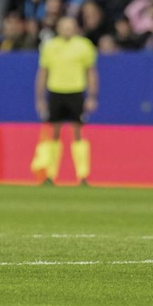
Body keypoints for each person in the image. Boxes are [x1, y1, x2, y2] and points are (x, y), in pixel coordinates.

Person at [32, 15, 98, 185]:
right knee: (54, 132)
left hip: (76, 91)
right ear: (59, 28)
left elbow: (91, 72)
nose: (67, 29)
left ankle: (82, 175)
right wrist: (40, 98)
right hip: (55, 91)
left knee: (77, 132)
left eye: (71, 26)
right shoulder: (50, 46)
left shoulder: (84, 46)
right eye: (64, 26)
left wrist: (92, 96)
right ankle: (50, 175)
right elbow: (42, 73)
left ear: (75, 28)